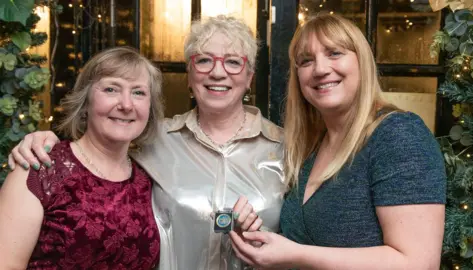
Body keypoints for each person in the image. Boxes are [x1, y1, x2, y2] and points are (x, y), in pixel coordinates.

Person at [7, 16, 285, 270]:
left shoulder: (287, 148)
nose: (217, 72)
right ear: (190, 74)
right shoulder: (154, 139)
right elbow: (94, 148)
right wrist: (44, 139)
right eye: (204, 60)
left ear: (250, 78)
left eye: (234, 62)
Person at [229, 14, 447, 269]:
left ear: (361, 61)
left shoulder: (397, 134)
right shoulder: (314, 145)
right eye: (306, 61)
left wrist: (295, 254)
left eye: (334, 53)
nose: (320, 69)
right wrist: (263, 242)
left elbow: (418, 264)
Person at [0, 47, 164, 269]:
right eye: (111, 89)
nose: (126, 105)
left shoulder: (149, 178)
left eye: (138, 92)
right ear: (85, 101)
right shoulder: (39, 171)